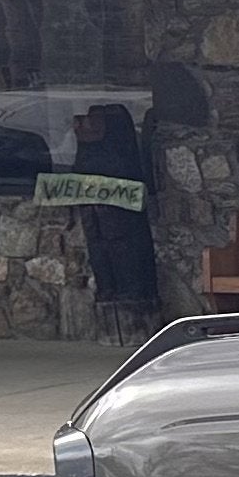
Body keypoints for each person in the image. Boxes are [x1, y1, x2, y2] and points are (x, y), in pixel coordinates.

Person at [71, 102, 159, 329]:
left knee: (122, 247)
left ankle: (130, 295)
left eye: (95, 120)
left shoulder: (120, 152)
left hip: (118, 218)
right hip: (95, 215)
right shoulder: (87, 153)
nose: (83, 125)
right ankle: (108, 289)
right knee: (99, 249)